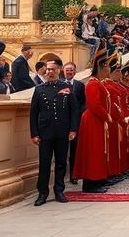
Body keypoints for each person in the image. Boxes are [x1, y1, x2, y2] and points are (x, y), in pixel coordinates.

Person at [29, 58, 79, 206]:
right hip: (45, 132)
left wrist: (73, 129)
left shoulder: (67, 88)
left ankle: (59, 191)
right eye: (48, 69)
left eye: (52, 69)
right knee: (44, 163)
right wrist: (34, 133)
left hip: (62, 131)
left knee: (61, 162)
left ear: (58, 70)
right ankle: (42, 193)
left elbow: (74, 111)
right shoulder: (39, 89)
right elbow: (33, 113)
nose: (49, 72)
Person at [72, 46, 111, 193]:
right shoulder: (93, 83)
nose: (109, 70)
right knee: (93, 151)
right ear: (101, 68)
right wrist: (107, 116)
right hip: (93, 121)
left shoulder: (98, 82)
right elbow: (94, 105)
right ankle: (90, 182)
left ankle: (98, 180)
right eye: (107, 66)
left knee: (98, 151)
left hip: (97, 120)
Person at [63, 62, 86, 184]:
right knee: (61, 151)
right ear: (63, 71)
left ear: (75, 72)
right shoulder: (59, 85)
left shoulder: (80, 85)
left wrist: (78, 115)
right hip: (61, 123)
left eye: (71, 70)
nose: (69, 72)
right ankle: (61, 177)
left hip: (75, 123)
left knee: (74, 151)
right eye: (67, 70)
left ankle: (73, 175)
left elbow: (84, 102)